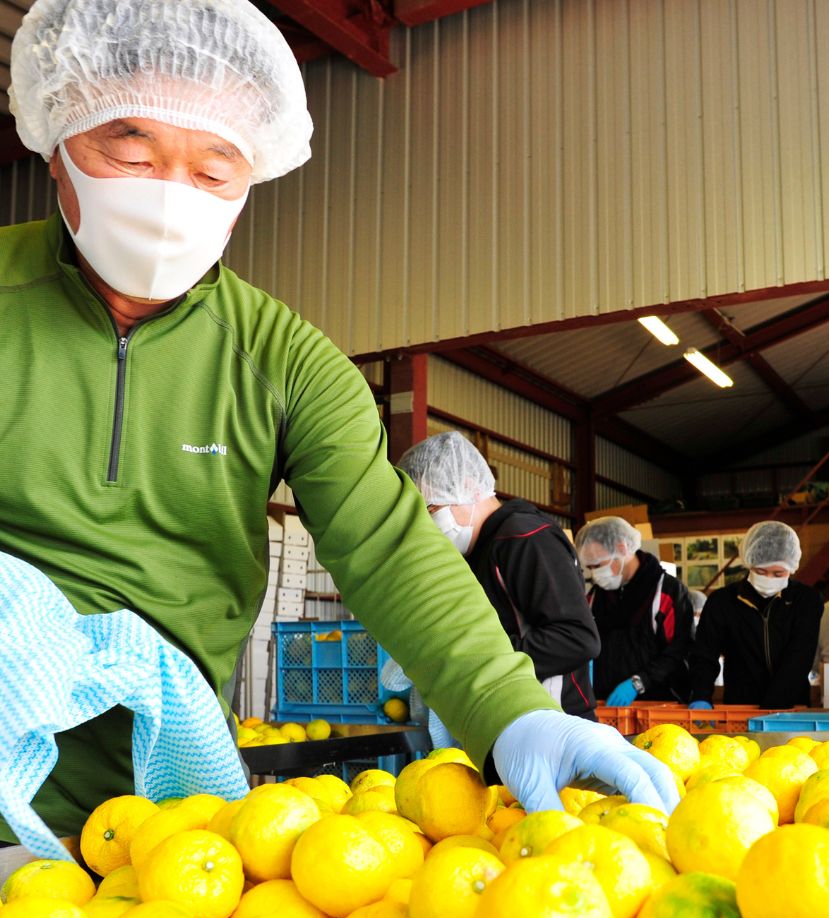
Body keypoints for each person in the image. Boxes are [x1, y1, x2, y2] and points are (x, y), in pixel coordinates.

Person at [0, 0, 676, 842]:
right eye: (130, 148)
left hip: (164, 816)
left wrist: (510, 713)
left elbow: (386, 544)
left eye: (213, 172)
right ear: (56, 144)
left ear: (245, 194)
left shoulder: (282, 361)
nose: (170, 197)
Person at [397, 432, 600, 719]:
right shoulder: (478, 550)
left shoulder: (525, 538)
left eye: (431, 509)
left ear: (466, 487)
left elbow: (577, 638)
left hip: (554, 721)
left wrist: (482, 662)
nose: (428, 524)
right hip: (508, 719)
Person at [688, 521, 823, 709]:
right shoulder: (723, 602)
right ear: (749, 563)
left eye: (778, 573)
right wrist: (700, 695)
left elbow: (799, 656)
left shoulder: (806, 601)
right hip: (739, 706)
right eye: (760, 571)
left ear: (791, 569)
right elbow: (704, 654)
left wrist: (772, 708)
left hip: (790, 707)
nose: (768, 579)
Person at [576, 516, 694, 706]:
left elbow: (680, 648)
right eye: (589, 568)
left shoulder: (666, 592)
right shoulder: (596, 597)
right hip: (608, 704)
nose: (595, 574)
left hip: (660, 704)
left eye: (598, 565)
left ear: (622, 549)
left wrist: (639, 682)